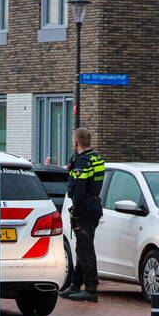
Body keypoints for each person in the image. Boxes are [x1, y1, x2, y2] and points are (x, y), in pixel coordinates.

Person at [60, 127, 105, 302]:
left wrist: (76, 211)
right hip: (94, 205)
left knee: (85, 249)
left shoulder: (82, 162)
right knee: (82, 246)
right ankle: (75, 284)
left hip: (84, 208)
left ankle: (91, 288)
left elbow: (79, 189)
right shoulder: (97, 158)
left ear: (76, 142)